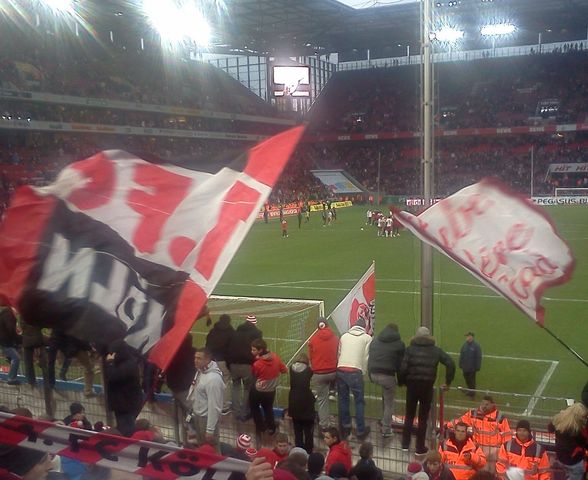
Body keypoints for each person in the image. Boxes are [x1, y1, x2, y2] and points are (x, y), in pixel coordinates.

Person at [399, 326, 455, 454]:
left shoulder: (409, 350)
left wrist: (402, 382)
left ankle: (405, 444)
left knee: (409, 415)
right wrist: (448, 382)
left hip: (412, 386)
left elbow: (402, 368)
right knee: (423, 418)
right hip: (427, 386)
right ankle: (419, 447)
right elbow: (450, 363)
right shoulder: (435, 350)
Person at [447, 396, 511, 473]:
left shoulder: (500, 418)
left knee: (489, 473)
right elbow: (460, 421)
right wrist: (447, 425)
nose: (484, 406)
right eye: (483, 403)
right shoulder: (473, 414)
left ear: (493, 405)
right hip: (477, 450)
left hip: (492, 453)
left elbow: (506, 435)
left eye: (487, 404)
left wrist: (506, 452)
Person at [337, 318, 372, 440]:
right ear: (364, 327)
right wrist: (363, 372)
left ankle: (345, 426)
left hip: (341, 369)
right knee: (359, 401)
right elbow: (366, 357)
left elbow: (339, 353)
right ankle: (360, 430)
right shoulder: (367, 338)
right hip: (355, 371)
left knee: (343, 399)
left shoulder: (344, 336)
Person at [367, 323, 405, 437]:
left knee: (385, 397)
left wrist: (370, 375)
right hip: (387, 376)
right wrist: (401, 380)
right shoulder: (399, 344)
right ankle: (386, 429)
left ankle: (384, 419)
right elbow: (400, 365)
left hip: (374, 374)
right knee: (389, 403)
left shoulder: (375, 341)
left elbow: (370, 359)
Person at [186, 347, 225, 450]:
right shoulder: (200, 371)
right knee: (201, 448)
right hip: (198, 417)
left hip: (206, 420)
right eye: (195, 357)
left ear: (207, 360)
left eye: (199, 358)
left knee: (212, 450)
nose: (195, 360)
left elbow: (214, 406)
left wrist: (210, 429)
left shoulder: (214, 379)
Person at [226, 314, 263, 421]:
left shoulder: (235, 332)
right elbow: (259, 349)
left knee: (235, 387)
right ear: (254, 323)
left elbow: (229, 348)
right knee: (248, 389)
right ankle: (244, 413)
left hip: (233, 364)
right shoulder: (257, 333)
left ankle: (236, 412)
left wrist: (229, 364)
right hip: (248, 365)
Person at [104, 339, 143, 436]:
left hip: (126, 404)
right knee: (123, 427)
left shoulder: (128, 365)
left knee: (126, 430)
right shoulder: (125, 362)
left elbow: (113, 377)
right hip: (123, 403)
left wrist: (110, 363)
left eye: (113, 353)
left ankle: (127, 443)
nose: (111, 355)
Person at [250, 338, 287, 435]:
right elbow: (284, 370)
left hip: (259, 390)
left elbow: (254, 374)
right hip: (271, 390)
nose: (252, 352)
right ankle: (271, 427)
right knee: (268, 408)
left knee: (254, 407)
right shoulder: (276, 357)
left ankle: (261, 427)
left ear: (260, 350)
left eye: (254, 350)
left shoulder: (257, 364)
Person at [308, 317, 339, 431]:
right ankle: (333, 391)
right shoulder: (335, 338)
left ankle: (324, 425)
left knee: (322, 400)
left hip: (319, 373)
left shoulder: (313, 339)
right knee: (342, 396)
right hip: (334, 372)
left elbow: (311, 357)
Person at [548, 403, 587, 480]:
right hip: (573, 461)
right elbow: (583, 444)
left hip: (560, 456)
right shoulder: (577, 431)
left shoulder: (559, 421)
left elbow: (550, 428)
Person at [206, 313, 235, 413]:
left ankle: (211, 403)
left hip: (211, 360)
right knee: (225, 382)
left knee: (212, 382)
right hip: (223, 361)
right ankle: (224, 406)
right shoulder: (231, 332)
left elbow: (207, 345)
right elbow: (231, 350)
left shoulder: (213, 331)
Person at [288, 353, 315, 453]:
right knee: (308, 432)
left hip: (293, 401)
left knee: (297, 432)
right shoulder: (308, 370)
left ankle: (299, 452)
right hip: (306, 402)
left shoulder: (291, 369)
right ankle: (308, 452)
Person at [0, 306, 21, 385]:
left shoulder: (5, 314)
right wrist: (19, 337)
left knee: (14, 357)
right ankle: (11, 378)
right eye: (17, 312)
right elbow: (11, 330)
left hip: (5, 341)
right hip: (5, 342)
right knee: (16, 358)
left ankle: (11, 376)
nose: (17, 314)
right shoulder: (9, 315)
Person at [459, 332, 482, 398]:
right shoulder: (464, 345)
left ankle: (472, 393)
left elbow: (478, 357)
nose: (467, 338)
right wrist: (460, 364)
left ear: (471, 337)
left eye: (468, 336)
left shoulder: (476, 346)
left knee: (472, 381)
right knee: (467, 379)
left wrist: (477, 366)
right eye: (466, 336)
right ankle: (470, 391)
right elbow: (461, 355)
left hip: (472, 368)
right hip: (465, 367)